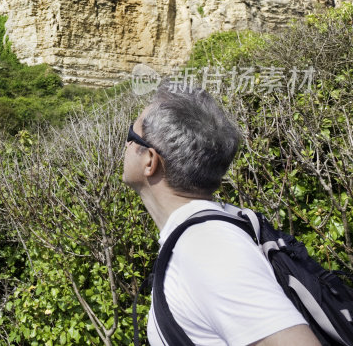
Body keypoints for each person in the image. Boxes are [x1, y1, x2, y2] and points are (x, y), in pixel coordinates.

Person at [123, 83, 321, 345]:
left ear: (150, 160)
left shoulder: (207, 247)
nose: (124, 144)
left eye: (130, 135)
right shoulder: (203, 234)